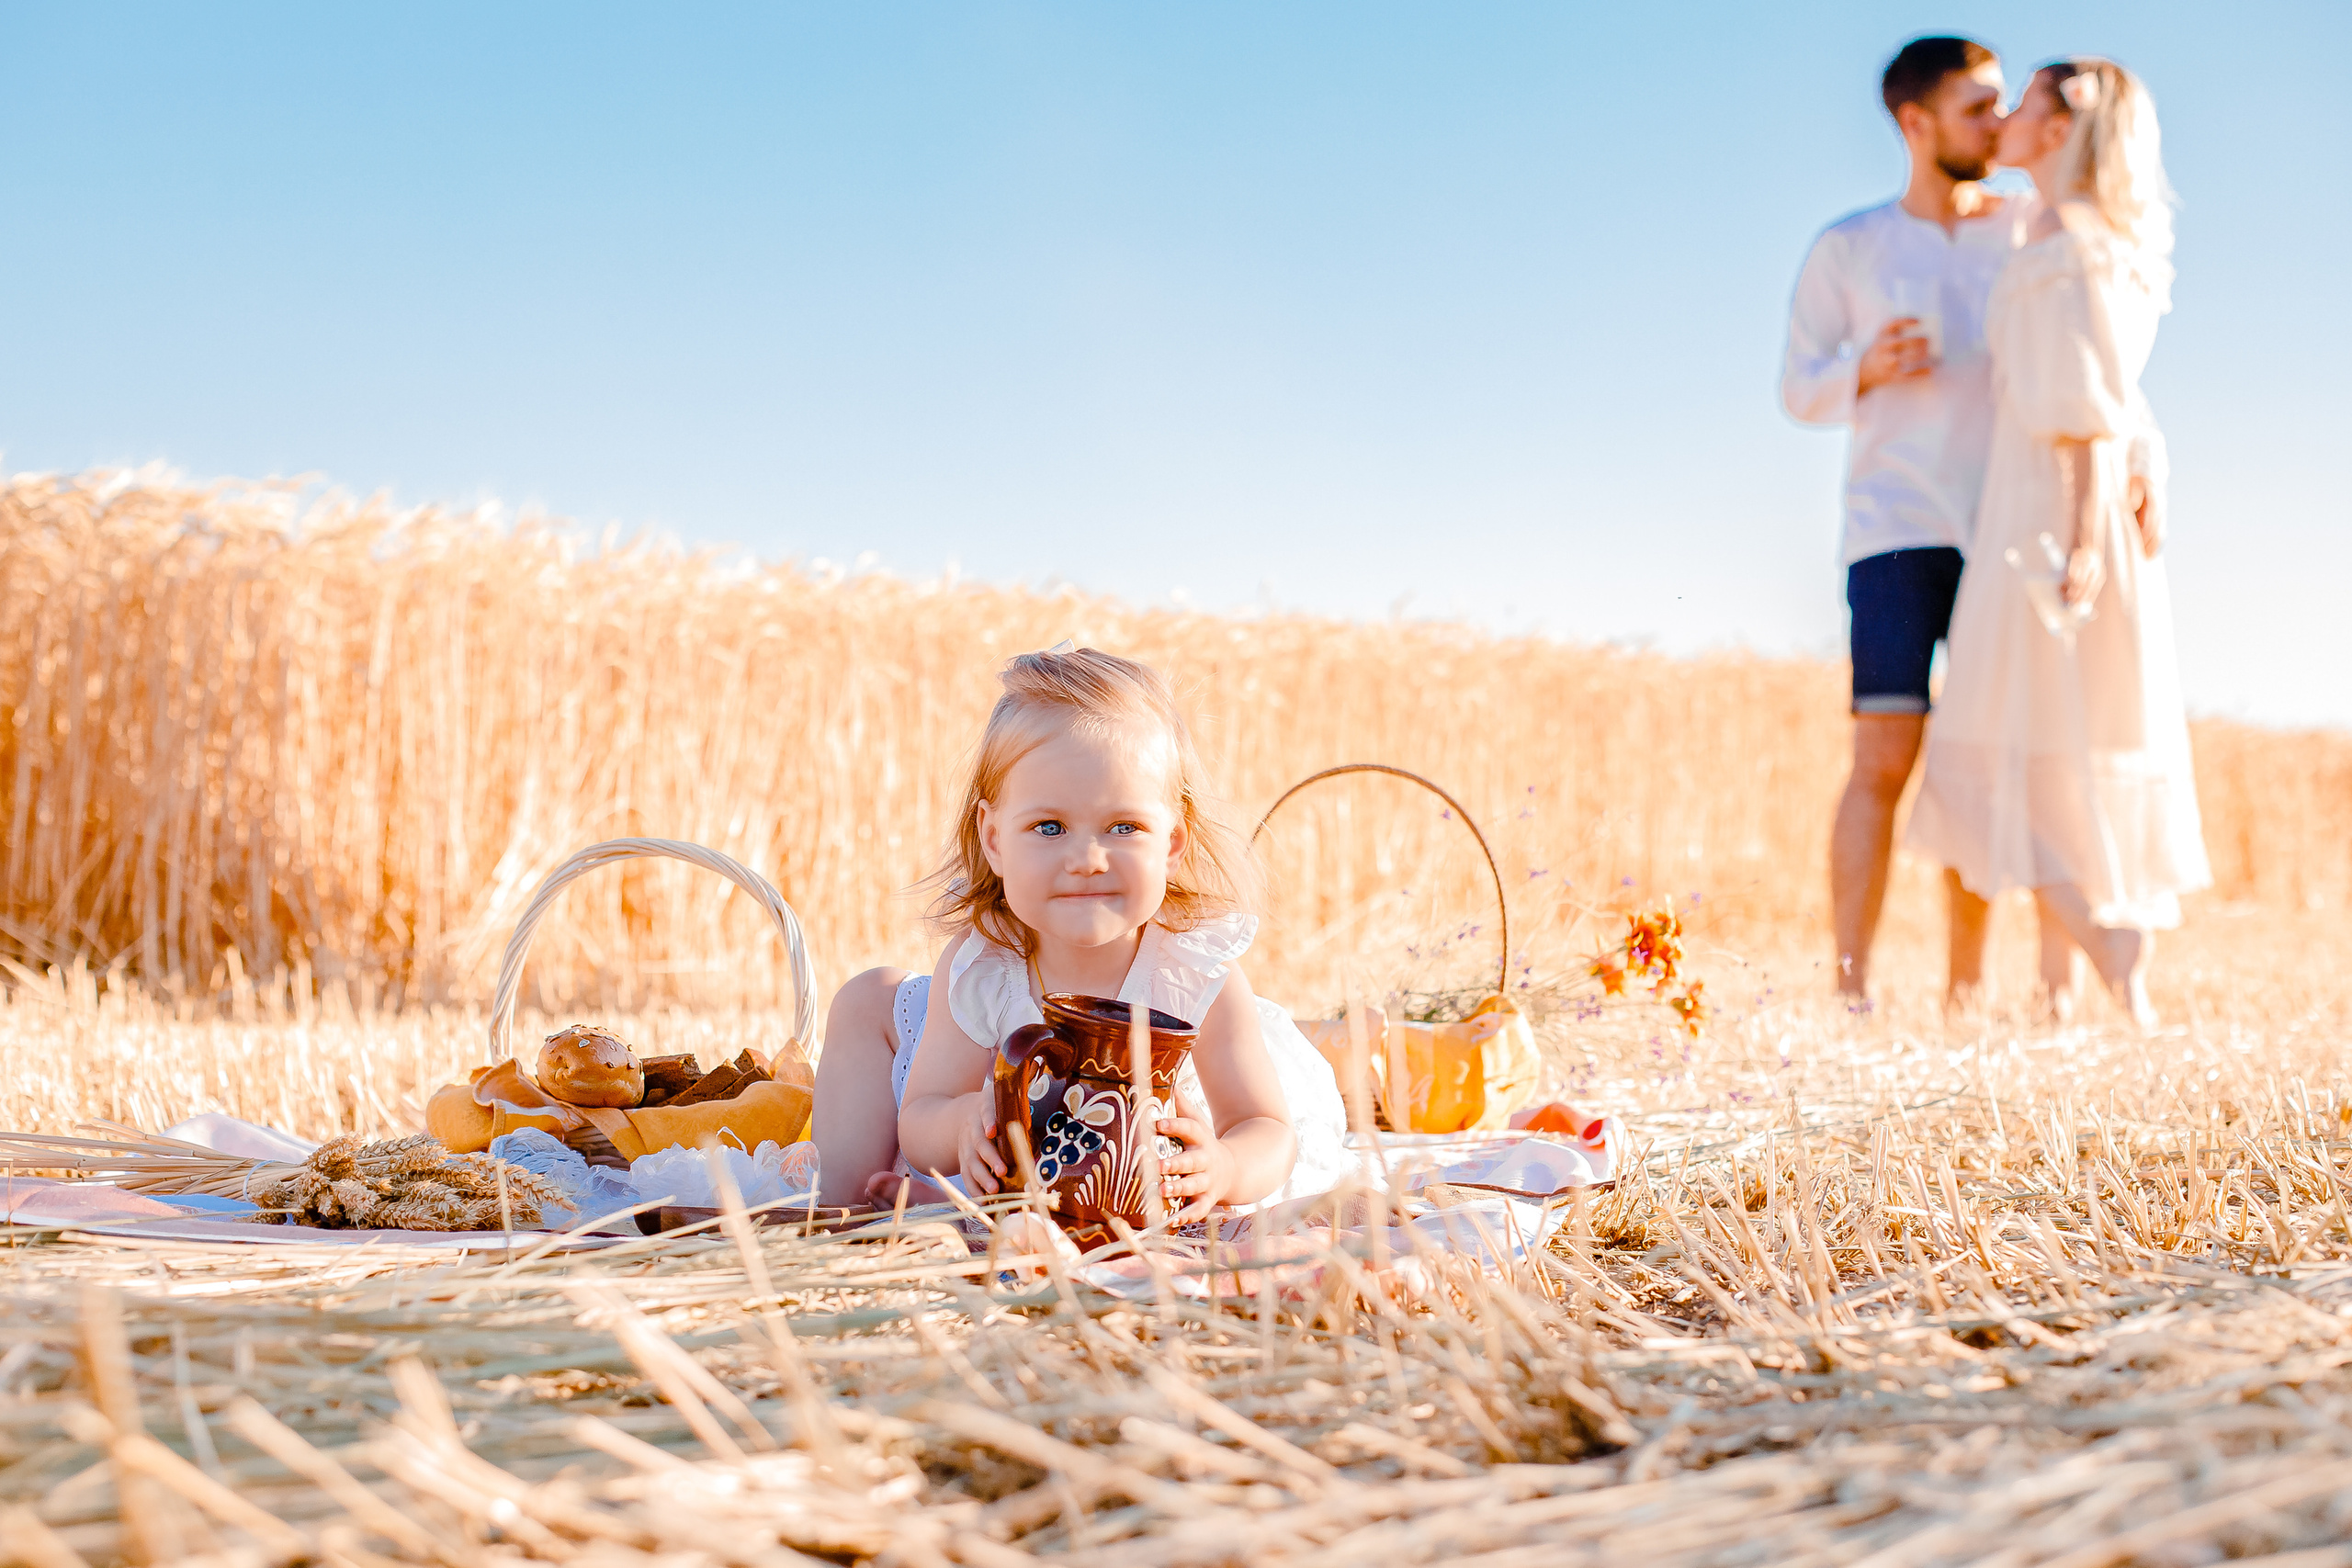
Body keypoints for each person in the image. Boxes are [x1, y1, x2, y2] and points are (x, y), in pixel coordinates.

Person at [808, 644, 1351, 1212]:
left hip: (1120, 1168)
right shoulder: (985, 965)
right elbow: (922, 1115)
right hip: (996, 1113)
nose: (1088, 858)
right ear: (994, 840)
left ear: (1172, 842)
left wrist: (1229, 1165)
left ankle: (955, 1206)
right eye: (1049, 827)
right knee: (869, 998)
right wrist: (964, 1120)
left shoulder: (1193, 973)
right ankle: (840, 1211)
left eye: (1123, 826)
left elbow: (1263, 1125)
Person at [1906, 60, 2209, 1030]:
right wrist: (2144, 464)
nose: (2007, 114)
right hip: (2060, 494)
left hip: (2044, 507)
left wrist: (2079, 531)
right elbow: (2120, 391)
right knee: (2053, 741)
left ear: (2060, 127)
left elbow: (2083, 401)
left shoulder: (2060, 238)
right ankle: (2056, 997)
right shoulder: (2079, 234)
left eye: (2026, 100)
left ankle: (2107, 942)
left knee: (2006, 740)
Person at [1782, 37, 2017, 1005]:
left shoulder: (2025, 233)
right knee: (1881, 759)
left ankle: (1965, 993)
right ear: (1914, 124)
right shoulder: (1850, 246)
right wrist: (1865, 370)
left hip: (2004, 529)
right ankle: (1850, 990)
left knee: (1982, 761)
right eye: (1978, 108)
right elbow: (1796, 389)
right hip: (1891, 534)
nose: (1998, 125)